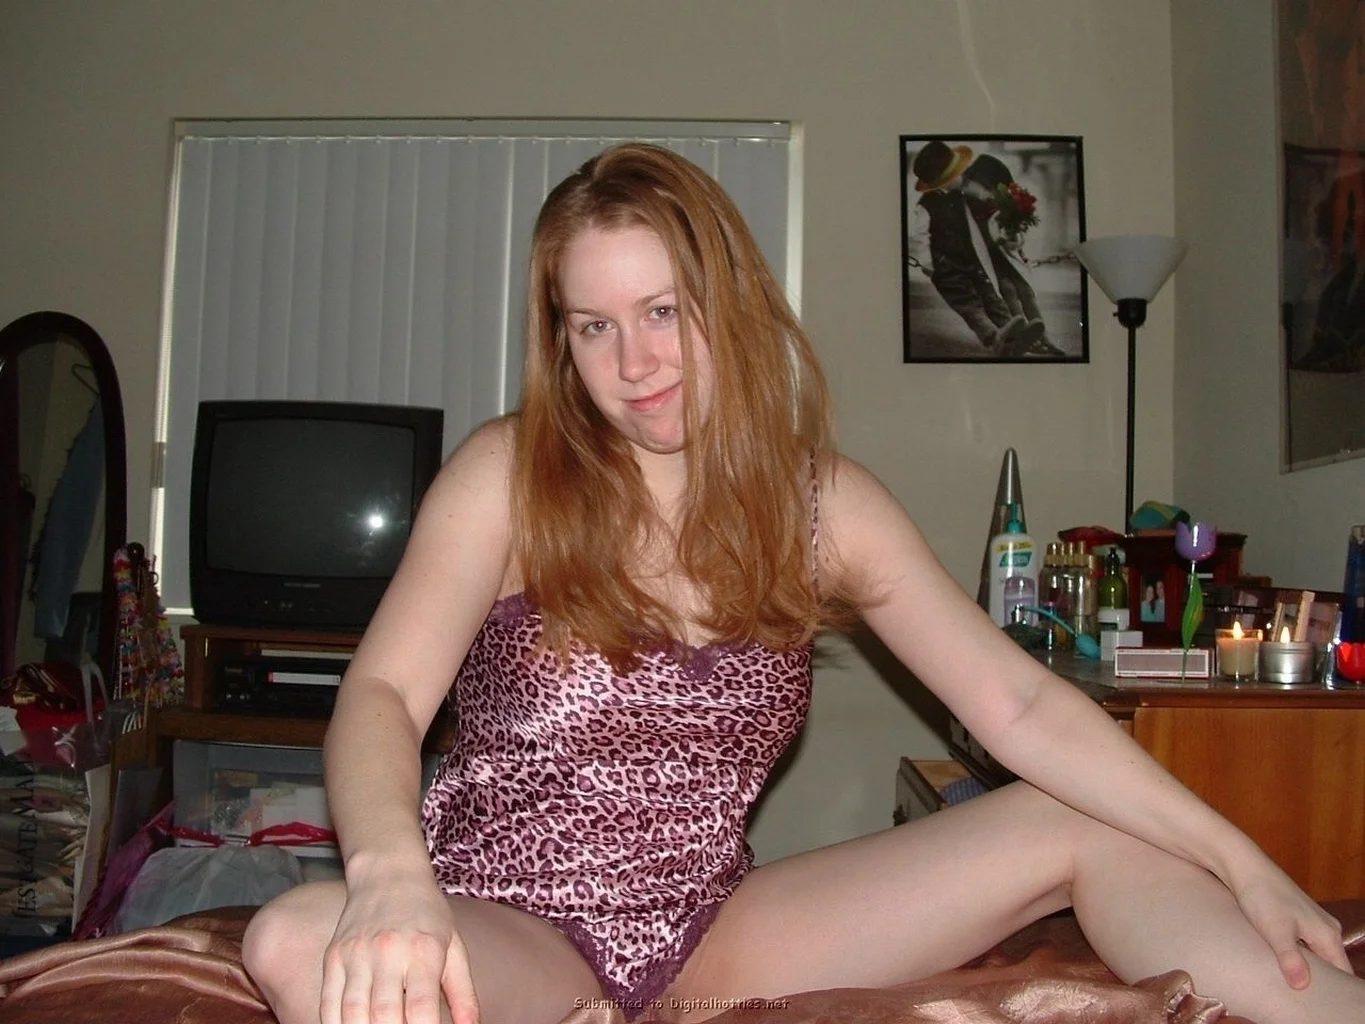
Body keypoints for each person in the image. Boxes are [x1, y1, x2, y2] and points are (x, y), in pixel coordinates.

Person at [242, 142, 1363, 1024]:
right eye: (595, 327)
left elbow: (1020, 703)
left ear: (726, 301)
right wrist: (388, 874)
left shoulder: (826, 506)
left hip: (717, 927)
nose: (634, 363)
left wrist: (1241, 859)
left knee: (1088, 818)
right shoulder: (507, 478)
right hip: (517, 924)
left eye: (664, 311)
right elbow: (383, 695)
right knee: (293, 937)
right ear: (562, 343)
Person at [905, 139, 1042, 353]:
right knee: (969, 305)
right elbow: (918, 237)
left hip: (970, 261)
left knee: (991, 297)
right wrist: (929, 264)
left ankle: (1016, 335)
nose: (962, 175)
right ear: (944, 181)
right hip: (946, 267)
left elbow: (981, 212)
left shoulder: (959, 196)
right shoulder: (926, 205)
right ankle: (993, 337)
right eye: (956, 174)